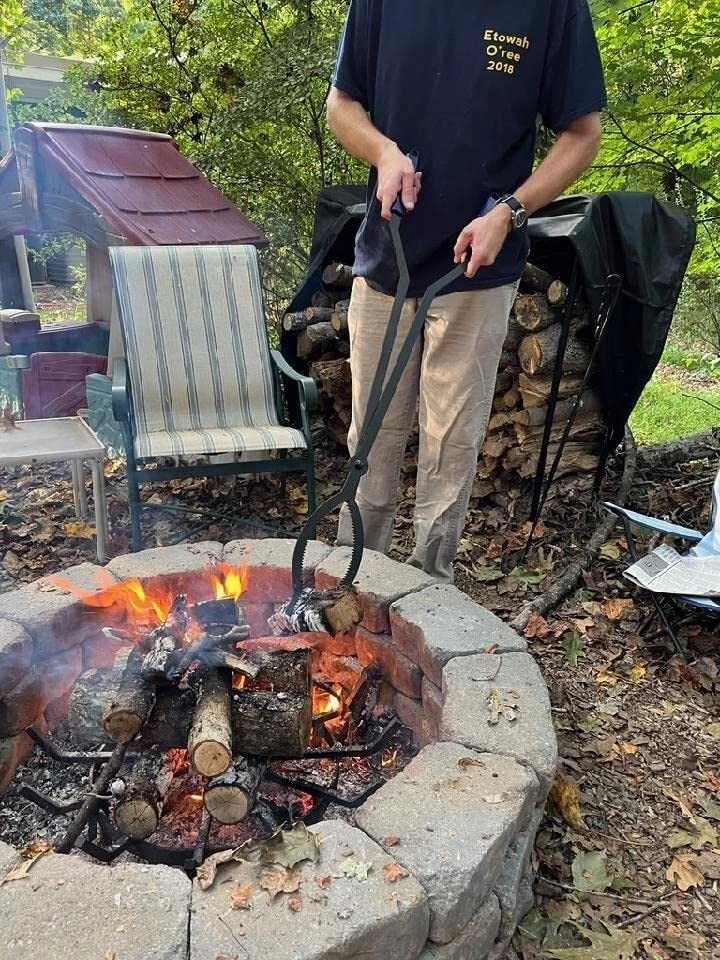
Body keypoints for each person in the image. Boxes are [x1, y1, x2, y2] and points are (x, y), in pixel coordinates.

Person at [328, 0, 606, 583]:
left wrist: (510, 210)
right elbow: (342, 103)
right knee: (369, 447)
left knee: (450, 454)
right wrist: (383, 152)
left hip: (477, 265)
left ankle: (428, 604)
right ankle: (351, 589)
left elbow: (583, 134)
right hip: (390, 255)